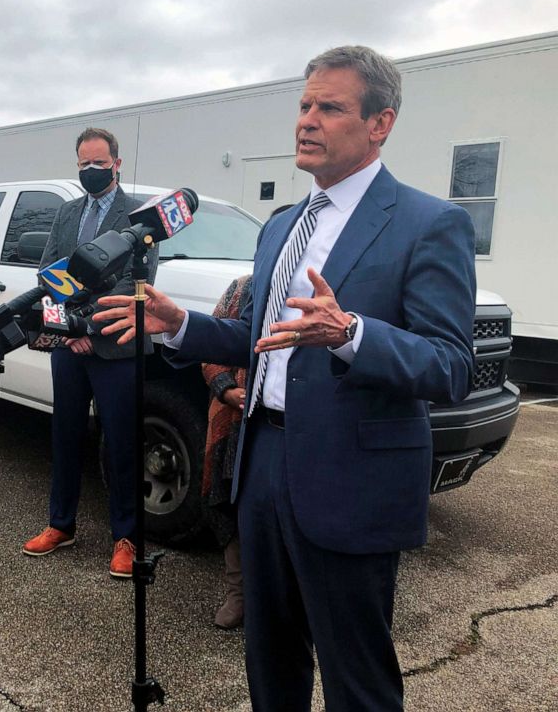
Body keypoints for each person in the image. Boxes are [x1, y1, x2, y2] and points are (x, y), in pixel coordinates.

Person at [94, 46, 476, 711]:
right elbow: (260, 342)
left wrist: (353, 334)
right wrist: (178, 323)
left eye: (329, 107)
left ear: (380, 123)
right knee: (270, 663)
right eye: (304, 105)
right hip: (262, 465)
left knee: (357, 681)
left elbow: (451, 365)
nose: (308, 120)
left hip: (350, 480)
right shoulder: (281, 228)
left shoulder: (428, 224)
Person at [21, 127, 157, 579]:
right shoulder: (67, 213)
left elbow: (137, 282)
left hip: (115, 345)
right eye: (83, 164)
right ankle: (61, 523)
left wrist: (89, 326)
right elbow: (48, 271)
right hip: (69, 343)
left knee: (120, 443)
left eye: (99, 163)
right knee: (64, 435)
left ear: (117, 164)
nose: (91, 171)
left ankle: (127, 537)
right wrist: (67, 328)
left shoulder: (139, 216)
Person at [201, 274, 251, 631]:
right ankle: (238, 596)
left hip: (290, 423)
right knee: (231, 502)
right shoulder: (241, 288)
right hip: (234, 418)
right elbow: (211, 347)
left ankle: (276, 599)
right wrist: (227, 390)